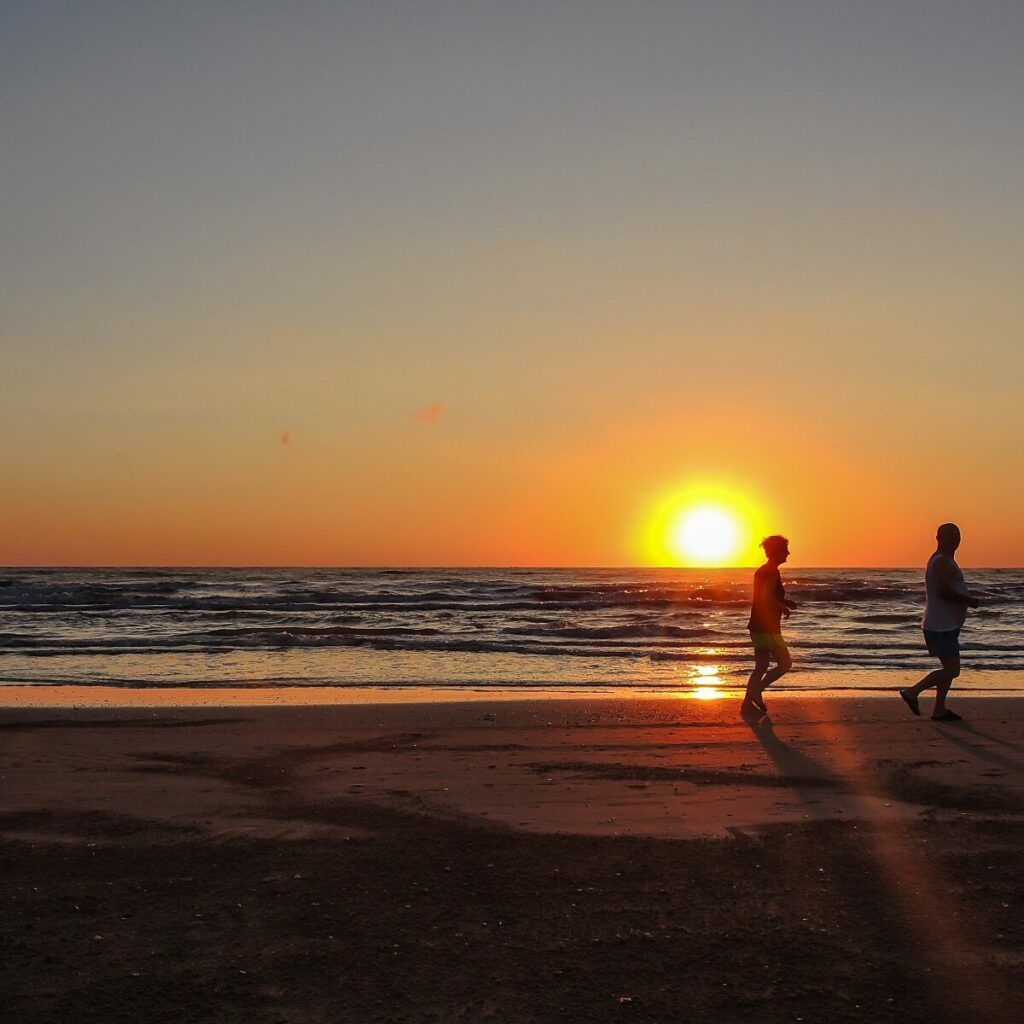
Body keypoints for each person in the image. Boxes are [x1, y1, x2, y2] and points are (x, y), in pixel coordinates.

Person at [900, 523, 980, 721]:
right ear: (939, 538)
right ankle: (912, 692)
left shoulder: (943, 560)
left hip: (945, 624)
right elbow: (942, 591)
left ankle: (939, 709)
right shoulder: (942, 561)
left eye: (958, 534)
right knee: (952, 670)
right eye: (950, 535)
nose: (956, 538)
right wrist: (968, 600)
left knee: (948, 669)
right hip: (940, 625)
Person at [741, 535, 798, 718]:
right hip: (767, 627)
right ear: (777, 552)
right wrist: (783, 607)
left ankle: (747, 704)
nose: (788, 553)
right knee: (785, 664)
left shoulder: (763, 570)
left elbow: (764, 596)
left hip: (757, 625)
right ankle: (756, 691)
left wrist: (784, 602)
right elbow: (766, 598)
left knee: (761, 665)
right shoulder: (771, 571)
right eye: (785, 550)